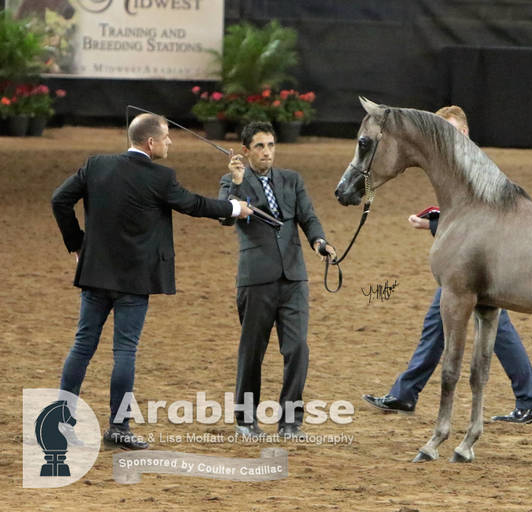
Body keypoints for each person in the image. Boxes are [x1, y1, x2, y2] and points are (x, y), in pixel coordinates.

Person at [52, 113, 254, 450]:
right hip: (134, 280)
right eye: (166, 137)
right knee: (125, 352)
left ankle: (58, 422)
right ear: (150, 142)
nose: (170, 142)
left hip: (96, 274)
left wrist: (77, 245)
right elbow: (195, 205)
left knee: (82, 346)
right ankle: (119, 427)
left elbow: (59, 200)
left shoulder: (96, 165)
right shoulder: (161, 177)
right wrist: (234, 208)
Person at [362, 106, 532, 424]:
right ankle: (405, 394)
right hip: (465, 268)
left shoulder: (477, 170)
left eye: (446, 131)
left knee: (498, 328)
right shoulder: (459, 171)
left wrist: (430, 226)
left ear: (462, 134)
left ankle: (530, 400)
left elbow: (475, 227)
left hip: (482, 267)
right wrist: (435, 220)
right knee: (435, 326)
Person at [219, 121, 336, 439]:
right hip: (256, 280)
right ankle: (245, 420)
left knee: (297, 348)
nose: (266, 152)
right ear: (245, 151)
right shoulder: (231, 180)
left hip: (294, 278)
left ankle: (290, 420)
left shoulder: (291, 180)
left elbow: (308, 216)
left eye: (270, 145)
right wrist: (238, 183)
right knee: (252, 351)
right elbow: (224, 214)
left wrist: (319, 241)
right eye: (259, 146)